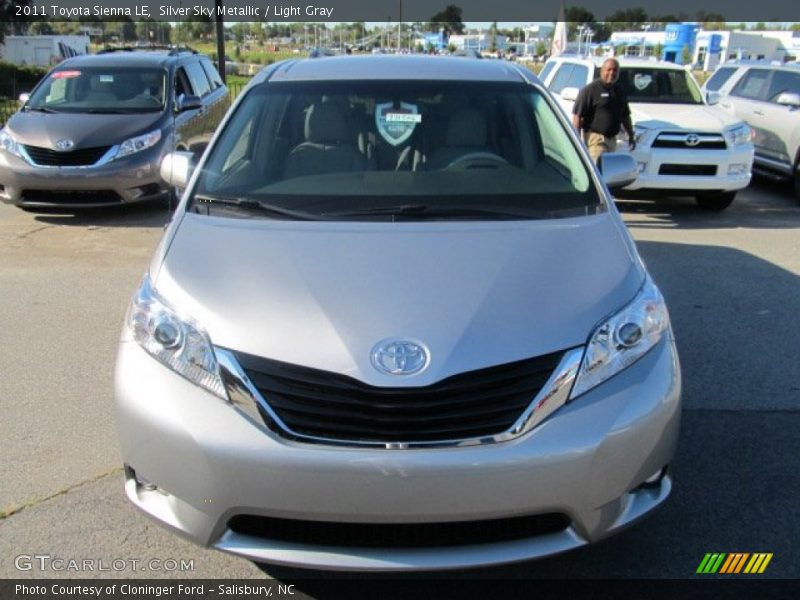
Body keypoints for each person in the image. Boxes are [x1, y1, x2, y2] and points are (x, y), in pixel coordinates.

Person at [572, 58, 636, 164]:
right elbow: (577, 116)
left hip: (612, 140)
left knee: (608, 173)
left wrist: (631, 135)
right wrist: (576, 141)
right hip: (597, 140)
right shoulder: (590, 90)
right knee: (598, 172)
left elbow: (625, 115)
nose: (612, 73)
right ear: (602, 71)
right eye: (609, 69)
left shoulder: (619, 91)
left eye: (615, 70)